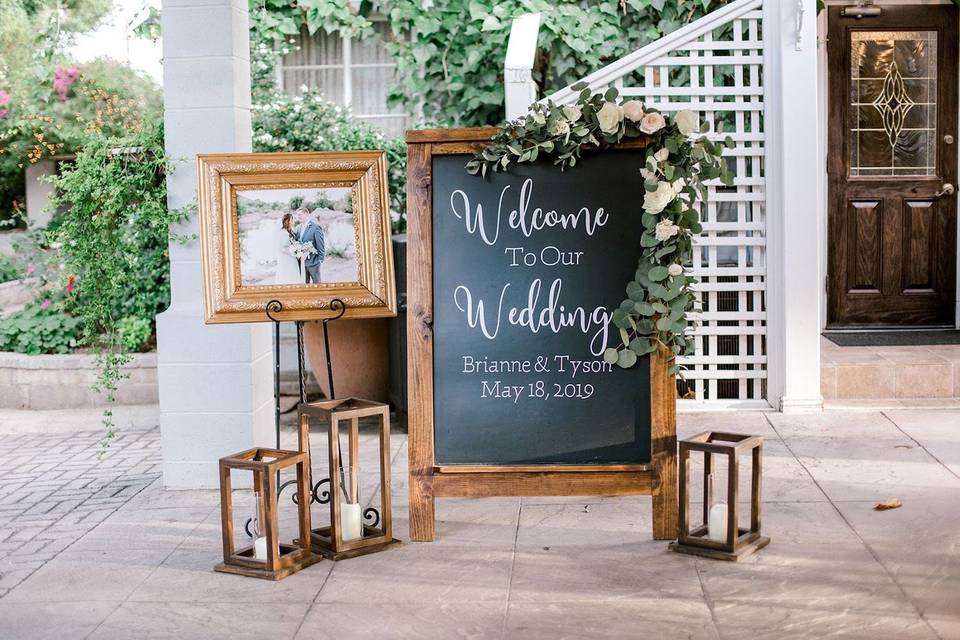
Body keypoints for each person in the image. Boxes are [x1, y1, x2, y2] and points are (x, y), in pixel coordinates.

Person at [296, 208, 326, 284]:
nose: (298, 217)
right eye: (297, 215)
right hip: (302, 263)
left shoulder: (315, 227)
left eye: (300, 215)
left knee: (317, 284)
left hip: (313, 262)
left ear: (306, 214)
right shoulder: (298, 228)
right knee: (305, 284)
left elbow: (320, 244)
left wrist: (320, 259)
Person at [273, 213, 303, 284]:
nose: (293, 221)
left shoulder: (290, 231)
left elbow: (293, 243)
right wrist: (294, 252)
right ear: (288, 221)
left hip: (292, 258)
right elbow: (282, 249)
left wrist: (297, 250)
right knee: (288, 275)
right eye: (292, 219)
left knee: (294, 274)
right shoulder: (282, 232)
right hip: (287, 258)